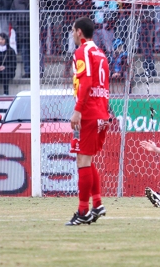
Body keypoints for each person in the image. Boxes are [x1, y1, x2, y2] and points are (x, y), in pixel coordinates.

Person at [66, 17, 110, 226]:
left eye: (74, 31)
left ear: (79, 32)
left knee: (82, 161)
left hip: (89, 112)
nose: (73, 34)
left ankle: (83, 211)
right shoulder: (100, 53)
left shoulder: (82, 51)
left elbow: (86, 82)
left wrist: (77, 110)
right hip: (101, 111)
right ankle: (98, 204)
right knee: (87, 159)